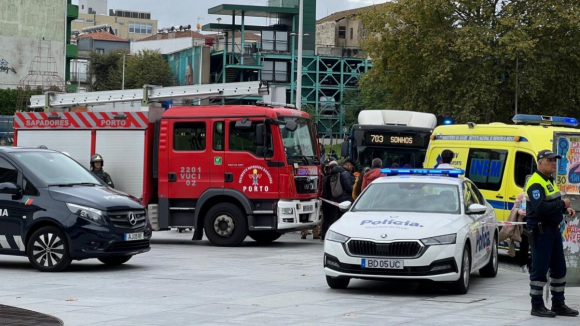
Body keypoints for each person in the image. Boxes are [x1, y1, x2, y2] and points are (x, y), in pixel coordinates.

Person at [526, 149, 578, 318]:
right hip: (541, 231)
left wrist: (565, 208)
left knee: (559, 268)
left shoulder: (549, 180)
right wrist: (561, 203)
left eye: (555, 161)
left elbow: (552, 203)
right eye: (549, 161)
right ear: (540, 163)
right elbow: (540, 208)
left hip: (553, 230)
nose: (553, 163)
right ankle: (537, 305)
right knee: (540, 269)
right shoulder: (535, 183)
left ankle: (558, 304)